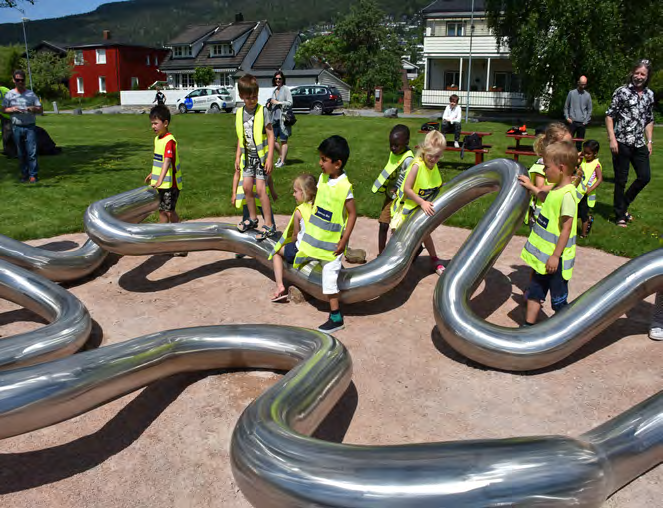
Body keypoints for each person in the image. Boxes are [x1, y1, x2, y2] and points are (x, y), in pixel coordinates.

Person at [293, 135, 357, 333]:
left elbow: (353, 214)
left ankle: (336, 317)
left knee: (329, 281)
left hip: (332, 247)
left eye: (324, 160)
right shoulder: (323, 179)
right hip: (315, 241)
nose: (320, 163)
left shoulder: (345, 187)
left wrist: (344, 240)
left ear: (337, 164)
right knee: (299, 255)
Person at [518, 141, 579, 325]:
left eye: (546, 167)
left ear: (561, 168)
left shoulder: (568, 195)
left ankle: (565, 329)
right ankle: (528, 326)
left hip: (555, 261)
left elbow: (566, 228)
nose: (544, 171)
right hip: (543, 259)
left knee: (558, 300)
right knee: (535, 291)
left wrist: (555, 256)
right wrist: (532, 188)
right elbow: (546, 197)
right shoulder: (555, 188)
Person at [606, 59, 655, 228]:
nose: (639, 77)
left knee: (644, 176)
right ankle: (619, 215)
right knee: (621, 179)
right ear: (632, 73)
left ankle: (623, 204)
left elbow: (649, 120)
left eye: (643, 74)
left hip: (639, 142)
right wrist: (612, 138)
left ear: (647, 76)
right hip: (622, 141)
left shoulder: (649, 95)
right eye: (637, 73)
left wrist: (649, 141)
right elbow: (609, 116)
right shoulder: (622, 92)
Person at [390, 130, 446, 275]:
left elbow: (436, 185)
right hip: (408, 207)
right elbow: (407, 189)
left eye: (437, 156)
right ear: (424, 151)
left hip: (422, 207)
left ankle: (434, 259)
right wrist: (421, 202)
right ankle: (392, 260)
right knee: (398, 235)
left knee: (425, 233)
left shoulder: (433, 166)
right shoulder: (417, 166)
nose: (433, 159)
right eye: (431, 155)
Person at [234, 74, 276, 241]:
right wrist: (237, 156)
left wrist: (270, 158)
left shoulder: (262, 111)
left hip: (260, 159)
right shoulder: (239, 113)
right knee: (246, 188)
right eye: (248, 98)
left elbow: (271, 135)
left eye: (255, 97)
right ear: (241, 96)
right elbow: (240, 136)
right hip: (247, 158)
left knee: (260, 190)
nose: (252, 100)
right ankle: (252, 218)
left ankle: (270, 225)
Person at [268, 174, 317, 302]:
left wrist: (292, 243)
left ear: (305, 193)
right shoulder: (321, 208)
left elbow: (295, 234)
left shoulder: (299, 211)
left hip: (301, 251)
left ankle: (279, 286)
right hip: (318, 251)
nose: (293, 195)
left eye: (295, 191)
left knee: (277, 253)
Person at [371, 124, 414, 254]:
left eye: (396, 145)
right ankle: (381, 254)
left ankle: (410, 251)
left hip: (401, 200)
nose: (393, 148)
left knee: (399, 229)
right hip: (390, 198)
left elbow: (407, 178)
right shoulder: (394, 154)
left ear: (406, 142)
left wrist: (397, 188)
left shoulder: (409, 159)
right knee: (383, 224)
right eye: (391, 145)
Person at [144, 105, 185, 235]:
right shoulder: (157, 139)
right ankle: (162, 239)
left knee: (169, 211)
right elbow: (159, 161)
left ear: (165, 123)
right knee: (162, 211)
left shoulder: (169, 141)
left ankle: (181, 238)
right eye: (152, 124)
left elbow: (167, 162)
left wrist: (159, 180)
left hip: (170, 185)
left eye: (156, 123)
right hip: (161, 184)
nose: (153, 127)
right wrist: (153, 174)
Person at [524, 122, 573, 228]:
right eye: (566, 144)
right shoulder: (543, 165)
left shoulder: (562, 165)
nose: (570, 148)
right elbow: (540, 188)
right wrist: (561, 184)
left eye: (571, 144)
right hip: (542, 212)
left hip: (556, 210)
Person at [1, 69, 43, 183]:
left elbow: (40, 109)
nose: (20, 82)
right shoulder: (9, 94)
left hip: (30, 126)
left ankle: (33, 175)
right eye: (18, 80)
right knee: (21, 153)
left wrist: (33, 108)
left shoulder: (30, 94)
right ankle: (24, 174)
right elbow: (3, 109)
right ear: (13, 80)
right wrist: (13, 109)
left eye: (22, 80)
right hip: (16, 127)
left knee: (32, 152)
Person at [576, 140, 603, 238]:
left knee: (583, 215)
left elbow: (600, 179)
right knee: (575, 212)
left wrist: (591, 189)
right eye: (585, 152)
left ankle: (583, 234)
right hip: (579, 192)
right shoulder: (582, 160)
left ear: (595, 153)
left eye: (588, 153)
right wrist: (580, 154)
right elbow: (574, 158)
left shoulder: (596, 165)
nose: (586, 155)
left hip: (587, 194)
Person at [268, 71, 292, 168]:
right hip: (275, 119)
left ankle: (282, 161)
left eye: (279, 78)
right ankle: (282, 156)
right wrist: (269, 104)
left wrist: (278, 102)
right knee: (272, 140)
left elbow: (290, 103)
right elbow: (272, 102)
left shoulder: (286, 89)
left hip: (283, 119)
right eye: (276, 78)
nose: (278, 80)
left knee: (283, 140)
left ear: (283, 79)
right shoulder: (274, 91)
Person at [564, 76, 592, 151]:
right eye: (582, 84)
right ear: (578, 83)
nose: (583, 86)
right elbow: (566, 107)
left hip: (582, 123)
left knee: (579, 144)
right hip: (572, 121)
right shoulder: (571, 93)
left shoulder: (587, 95)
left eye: (584, 84)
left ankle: (577, 159)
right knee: (568, 142)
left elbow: (589, 109)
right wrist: (567, 117)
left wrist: (586, 121)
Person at [0, 80, 16, 157]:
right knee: (5, 133)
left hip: (7, 114)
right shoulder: (6, 89)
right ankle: (7, 150)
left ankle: (11, 152)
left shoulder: (3, 90)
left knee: (8, 134)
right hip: (6, 114)